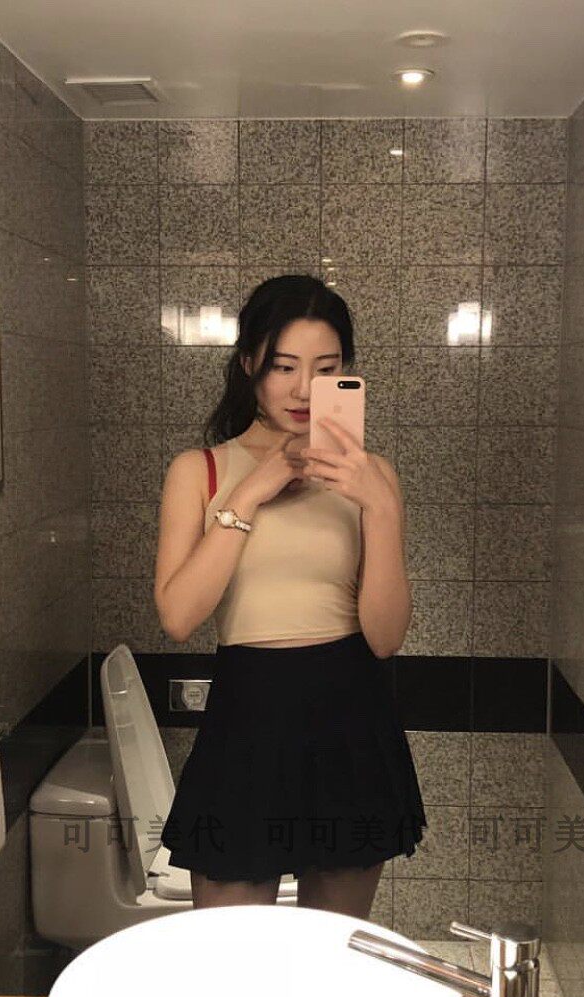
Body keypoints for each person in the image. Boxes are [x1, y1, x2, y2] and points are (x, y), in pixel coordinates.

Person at [154, 274, 427, 920]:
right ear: (249, 362)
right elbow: (178, 617)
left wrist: (380, 507)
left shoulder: (373, 477)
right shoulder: (199, 471)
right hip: (247, 721)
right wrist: (255, 488)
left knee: (329, 958)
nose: (304, 389)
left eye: (325, 369)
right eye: (284, 367)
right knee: (231, 957)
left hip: (351, 720)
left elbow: (386, 636)